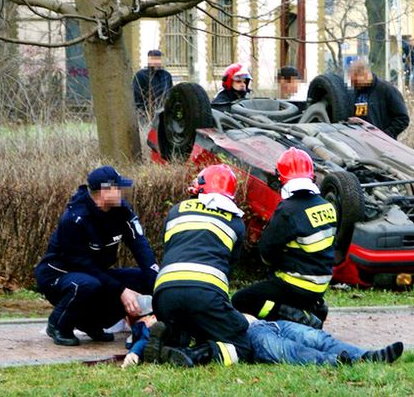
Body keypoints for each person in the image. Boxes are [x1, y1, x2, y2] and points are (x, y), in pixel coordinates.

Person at [34, 166, 159, 347]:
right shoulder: (75, 218)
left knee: (141, 278)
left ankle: (91, 324)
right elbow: (81, 264)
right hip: (60, 275)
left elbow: (140, 246)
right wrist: (121, 291)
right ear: (103, 191)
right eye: (117, 188)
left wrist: (157, 282)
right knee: (87, 284)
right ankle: (58, 325)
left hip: (94, 273)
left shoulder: (122, 211)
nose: (121, 192)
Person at [145, 164, 252, 367]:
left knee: (185, 330)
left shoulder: (176, 211)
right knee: (242, 345)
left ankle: (168, 339)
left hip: (164, 294)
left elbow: (167, 246)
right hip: (205, 294)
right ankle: (195, 354)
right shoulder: (235, 222)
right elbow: (229, 265)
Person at [232, 148, 335, 329]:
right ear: (311, 176)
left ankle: (296, 316)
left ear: (281, 178)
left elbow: (267, 251)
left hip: (296, 284)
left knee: (242, 300)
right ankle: (314, 309)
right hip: (320, 285)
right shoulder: (327, 206)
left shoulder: (287, 210)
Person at [246, 315, 404, 366]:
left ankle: (368, 356)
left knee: (319, 339)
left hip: (268, 323)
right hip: (249, 335)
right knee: (291, 350)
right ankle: (339, 361)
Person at [348, 59, 410, 139]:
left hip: (383, 145)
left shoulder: (386, 90)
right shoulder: (356, 92)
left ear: (366, 75)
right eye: (352, 82)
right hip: (361, 143)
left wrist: (385, 135)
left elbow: (403, 118)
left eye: (356, 81)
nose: (354, 85)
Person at [133, 49, 173, 121]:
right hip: (146, 116)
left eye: (158, 59)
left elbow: (170, 94)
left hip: (164, 115)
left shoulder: (166, 76)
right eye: (154, 59)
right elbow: (136, 97)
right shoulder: (141, 75)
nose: (156, 62)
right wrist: (143, 114)